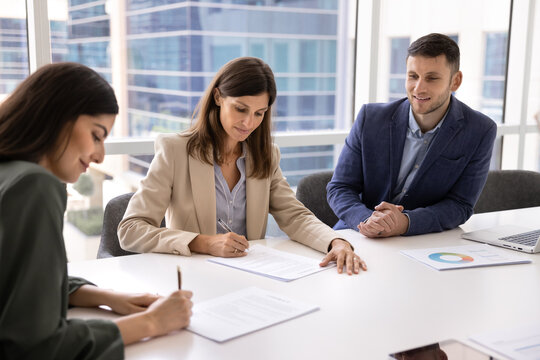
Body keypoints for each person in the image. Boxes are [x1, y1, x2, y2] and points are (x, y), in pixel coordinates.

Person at [0, 62, 193, 359]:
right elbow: (35, 346)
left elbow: (19, 284)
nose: (101, 155)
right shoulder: (34, 186)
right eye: (97, 135)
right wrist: (152, 322)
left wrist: (108, 297)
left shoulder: (9, 174)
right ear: (58, 117)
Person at [118, 57, 366, 275]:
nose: (249, 122)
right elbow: (130, 229)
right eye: (240, 109)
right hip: (196, 275)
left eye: (259, 113)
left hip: (251, 274)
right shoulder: (176, 151)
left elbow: (295, 216)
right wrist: (203, 243)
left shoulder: (265, 155)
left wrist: (336, 242)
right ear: (218, 97)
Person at [327, 33, 497, 238]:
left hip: (423, 240)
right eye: (413, 76)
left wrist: (405, 223)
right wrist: (367, 220)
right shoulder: (370, 118)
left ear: (455, 81)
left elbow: (460, 205)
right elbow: (340, 187)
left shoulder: (480, 130)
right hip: (358, 235)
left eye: (432, 78)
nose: (419, 88)